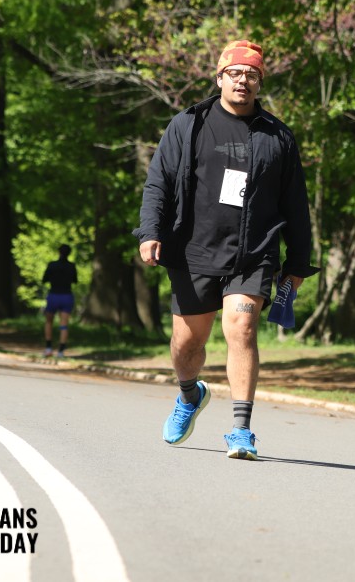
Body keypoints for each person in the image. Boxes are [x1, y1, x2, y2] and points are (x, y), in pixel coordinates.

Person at [134, 39, 317, 461]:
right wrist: (150, 232)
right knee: (186, 345)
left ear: (260, 83)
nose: (243, 81)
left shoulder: (277, 136)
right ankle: (189, 394)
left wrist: (297, 263)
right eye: (235, 73)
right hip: (193, 248)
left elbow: (295, 203)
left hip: (253, 251)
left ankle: (241, 430)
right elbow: (158, 182)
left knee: (242, 327)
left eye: (252, 75)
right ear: (219, 78)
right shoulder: (188, 125)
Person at [42, 244, 77, 358]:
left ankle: (48, 348)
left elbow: (44, 279)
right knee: (64, 324)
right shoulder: (71, 266)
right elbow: (75, 280)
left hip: (54, 295)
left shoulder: (52, 265)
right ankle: (61, 351)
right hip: (66, 296)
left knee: (49, 322)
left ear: (59, 252)